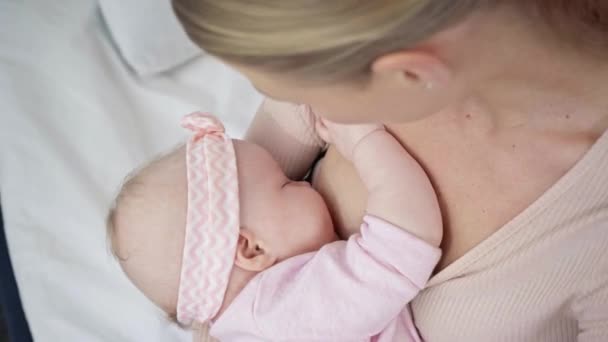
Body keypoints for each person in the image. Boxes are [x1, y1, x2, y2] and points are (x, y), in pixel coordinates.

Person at [172, 1, 608, 341]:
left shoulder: (591, 230)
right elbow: (213, 274)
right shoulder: (345, 50)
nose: (301, 104)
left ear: (412, 75)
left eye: (281, 89)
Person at [107, 112, 442, 341]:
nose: (306, 181)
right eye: (286, 184)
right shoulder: (287, 310)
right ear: (251, 249)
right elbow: (406, 238)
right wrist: (364, 140)